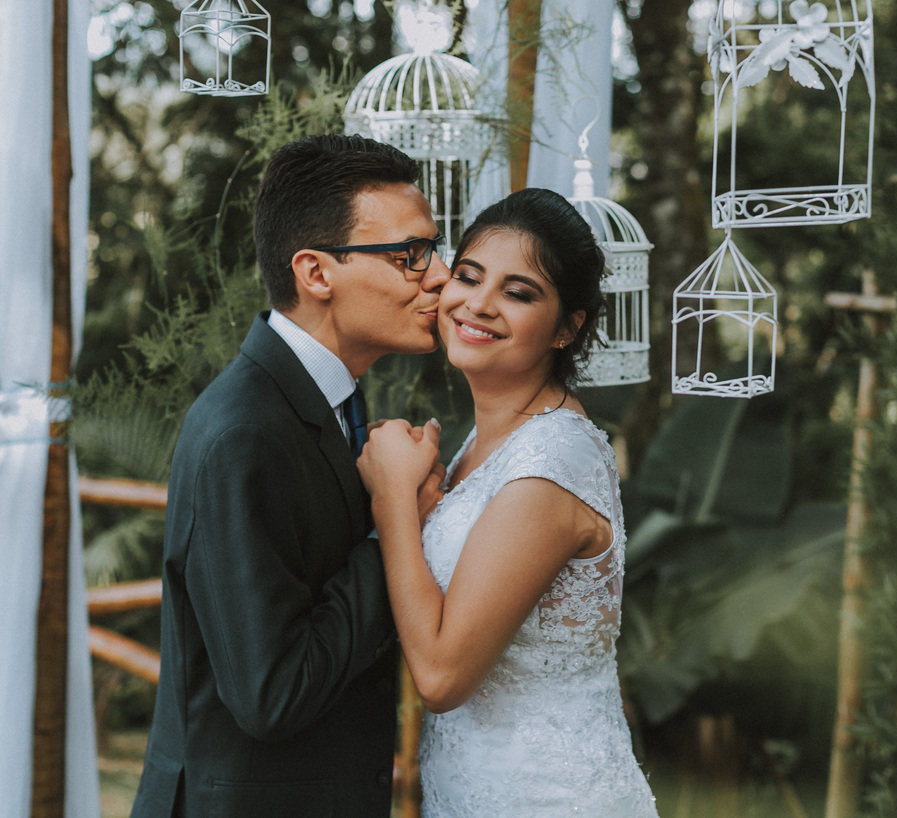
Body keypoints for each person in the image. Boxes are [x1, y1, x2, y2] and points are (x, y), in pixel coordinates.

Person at [130, 133, 450, 818]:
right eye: (410, 255)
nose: (441, 275)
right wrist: (396, 523)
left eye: (435, 249)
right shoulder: (244, 433)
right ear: (316, 273)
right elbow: (271, 694)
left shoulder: (333, 400)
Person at [357, 187, 659, 816]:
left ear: (567, 327)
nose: (479, 304)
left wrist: (392, 500)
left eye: (518, 293)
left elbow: (441, 677)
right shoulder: (490, 441)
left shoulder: (552, 464)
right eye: (469, 276)